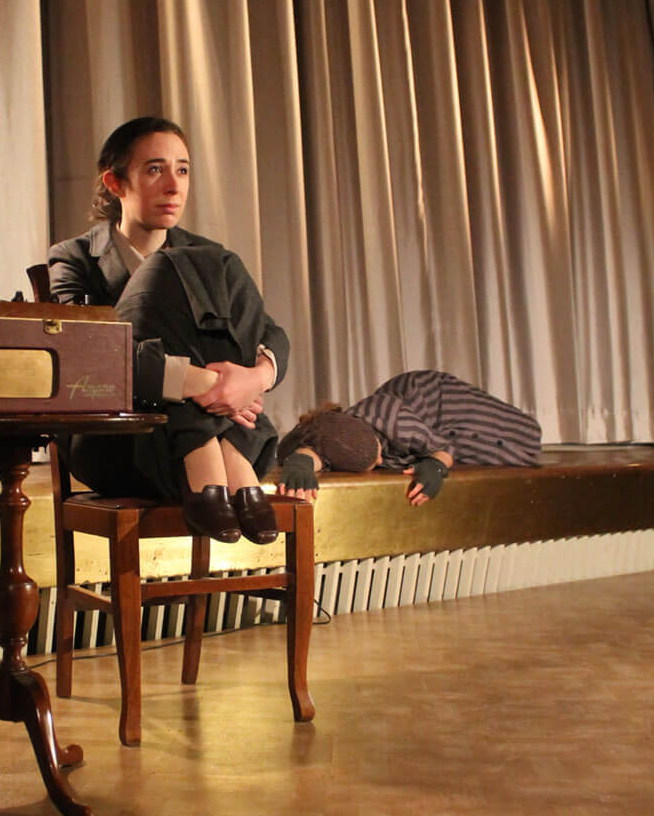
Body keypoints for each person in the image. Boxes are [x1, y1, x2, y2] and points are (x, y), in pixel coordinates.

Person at [47, 116, 287, 545]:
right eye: (155, 169)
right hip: (120, 440)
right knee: (168, 268)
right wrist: (212, 386)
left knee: (218, 263)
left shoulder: (210, 255)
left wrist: (255, 378)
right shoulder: (74, 259)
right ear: (115, 182)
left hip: (197, 440)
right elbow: (86, 358)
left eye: (183, 170)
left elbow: (269, 333)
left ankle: (213, 464)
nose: (174, 186)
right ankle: (227, 463)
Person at [276, 370, 542, 506]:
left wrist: (435, 465)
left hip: (441, 402)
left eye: (378, 456)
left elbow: (444, 447)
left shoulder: (397, 422)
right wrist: (300, 464)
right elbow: (314, 451)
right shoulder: (335, 435)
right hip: (414, 415)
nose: (381, 462)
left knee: (525, 439)